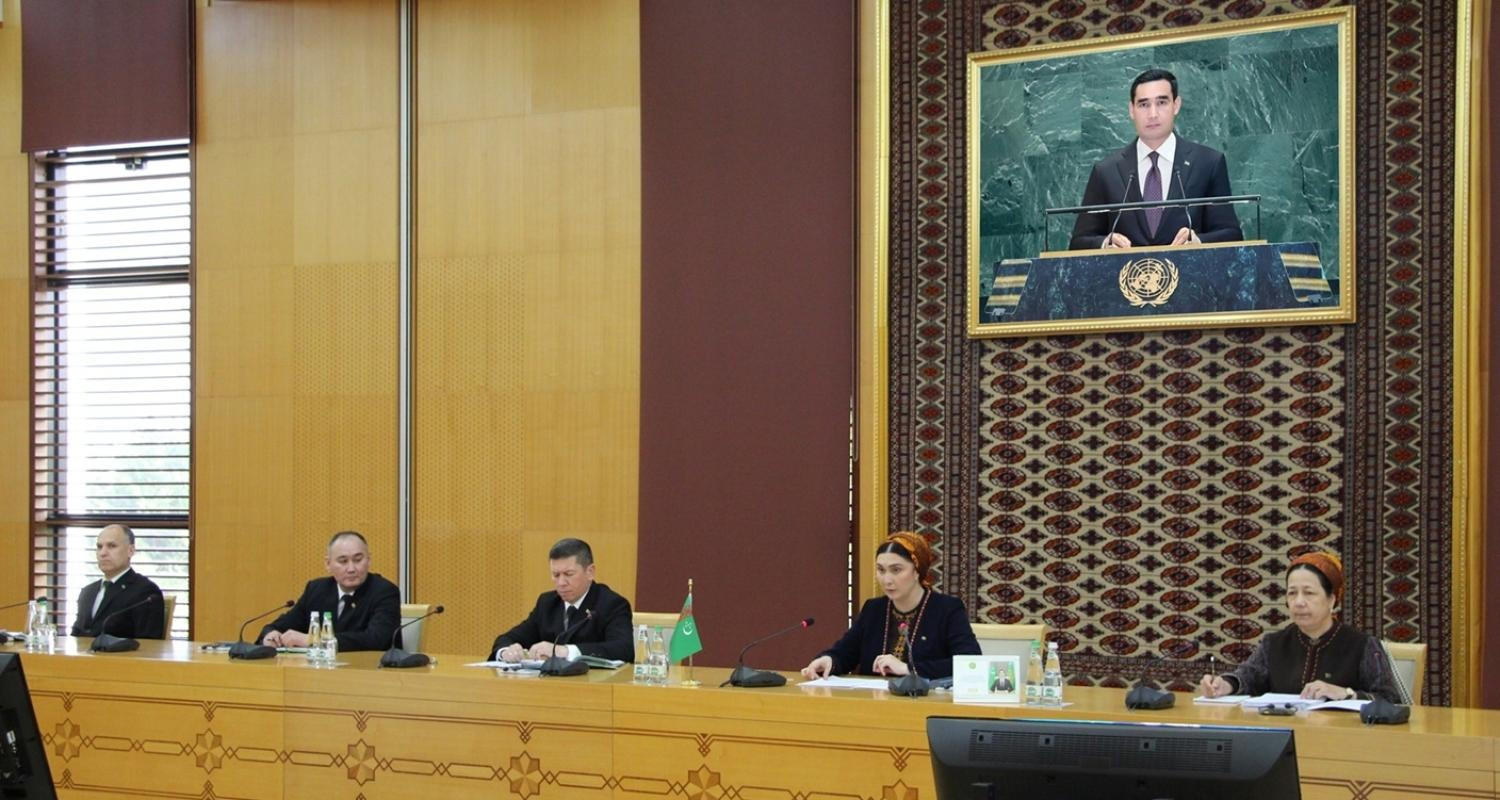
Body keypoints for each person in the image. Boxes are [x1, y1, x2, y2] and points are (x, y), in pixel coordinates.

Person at [1069, 68, 1244, 250]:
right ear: (1131, 110)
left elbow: (1231, 234)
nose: (1153, 114)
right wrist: (1105, 244)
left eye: (1161, 102)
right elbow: (1078, 242)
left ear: (1176, 105)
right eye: (1143, 104)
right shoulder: (1106, 171)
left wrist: (1199, 243)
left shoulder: (1207, 163)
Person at [1198, 551, 1402, 703]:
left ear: (1332, 600)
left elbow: (1391, 699)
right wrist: (1225, 684)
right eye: (1292, 593)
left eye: (1309, 593)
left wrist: (1346, 694)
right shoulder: (1274, 643)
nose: (1299, 602)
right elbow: (1248, 677)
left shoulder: (1362, 645)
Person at [801, 531, 980, 680]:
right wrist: (829, 660)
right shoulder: (873, 609)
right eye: (881, 570)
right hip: (874, 703)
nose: (887, 580)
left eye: (896, 570)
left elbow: (971, 663)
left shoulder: (946, 609)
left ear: (917, 571)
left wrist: (907, 669)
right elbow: (846, 652)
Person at [490, 538, 634, 663]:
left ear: (590, 572)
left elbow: (624, 649)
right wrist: (506, 652)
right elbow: (507, 638)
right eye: (556, 575)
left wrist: (566, 651)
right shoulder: (547, 603)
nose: (561, 583)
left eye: (568, 574)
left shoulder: (611, 604)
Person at [260, 530, 402, 652]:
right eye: (343, 561)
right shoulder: (317, 589)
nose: (351, 569)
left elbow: (377, 639)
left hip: (367, 671)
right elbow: (281, 625)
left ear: (369, 560)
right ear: (328, 564)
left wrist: (314, 640)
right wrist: (271, 635)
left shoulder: (384, 591)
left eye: (358, 560)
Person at [71, 524, 166, 639]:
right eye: (99, 547)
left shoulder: (145, 592)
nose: (103, 553)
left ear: (130, 551)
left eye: (112, 546)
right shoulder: (88, 592)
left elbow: (149, 643)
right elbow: (76, 635)